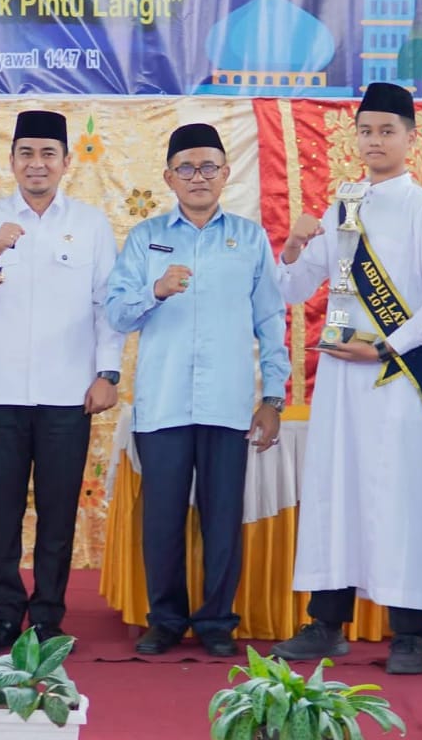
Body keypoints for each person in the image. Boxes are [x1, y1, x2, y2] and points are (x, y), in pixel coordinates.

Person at [272, 82, 422, 675]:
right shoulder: (342, 207)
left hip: (397, 377)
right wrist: (295, 246)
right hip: (340, 381)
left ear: (411, 137)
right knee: (336, 489)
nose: (375, 141)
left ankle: (409, 632)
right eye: (366, 130)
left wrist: (385, 346)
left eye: (387, 130)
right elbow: (295, 288)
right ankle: (327, 622)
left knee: (399, 493)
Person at [104, 122, 288, 658]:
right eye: (186, 167)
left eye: (209, 166)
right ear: (168, 177)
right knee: (160, 516)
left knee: (222, 517)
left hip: (227, 402)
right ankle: (164, 620)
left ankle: (216, 623)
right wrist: (154, 290)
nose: (198, 176)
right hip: (161, 404)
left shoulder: (249, 238)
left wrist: (272, 398)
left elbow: (271, 321)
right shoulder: (145, 238)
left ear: (227, 173)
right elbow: (116, 312)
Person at [0, 110, 125, 653]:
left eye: (48, 153)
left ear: (67, 162)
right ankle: (4, 613)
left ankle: (48, 614)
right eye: (26, 153)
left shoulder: (91, 224)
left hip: (68, 393)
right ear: (12, 161)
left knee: (57, 509)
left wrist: (108, 372)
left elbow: (106, 306)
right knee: (1, 510)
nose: (37, 163)